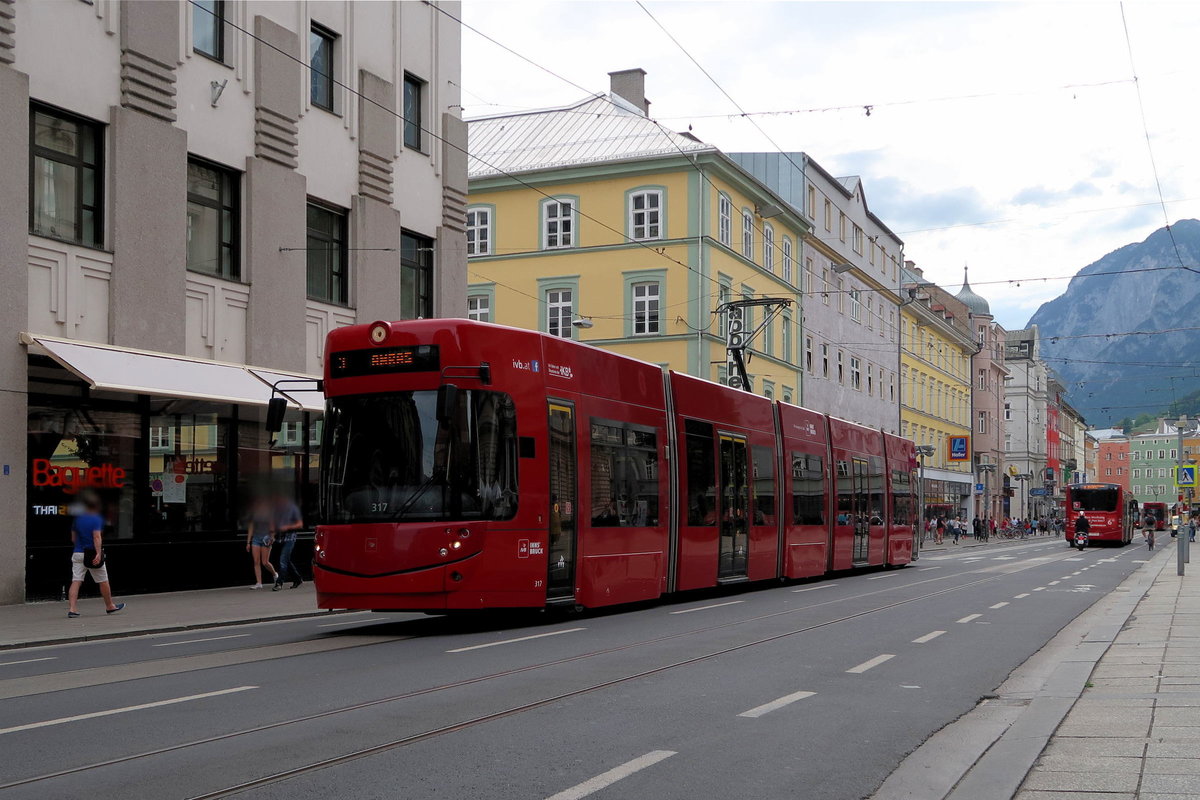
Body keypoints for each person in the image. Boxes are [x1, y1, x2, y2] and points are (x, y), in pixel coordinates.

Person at [67, 493, 124, 618]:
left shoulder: (77, 520)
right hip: (91, 554)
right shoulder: (96, 519)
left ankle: (72, 609)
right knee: (103, 580)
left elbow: (73, 538)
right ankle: (109, 606)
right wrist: (98, 553)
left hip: (78, 553)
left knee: (76, 581)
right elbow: (96, 536)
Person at [273, 491, 305, 590]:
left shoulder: (293, 509)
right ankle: (297, 579)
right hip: (279, 538)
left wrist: (287, 527)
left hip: (290, 538)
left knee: (283, 560)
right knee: (286, 560)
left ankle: (279, 583)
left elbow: (300, 524)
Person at [246, 494, 278, 590]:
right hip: (256, 538)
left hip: (266, 539)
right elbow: (251, 528)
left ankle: (275, 574)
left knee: (265, 562)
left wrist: (272, 538)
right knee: (256, 561)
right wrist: (248, 542)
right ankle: (259, 583)